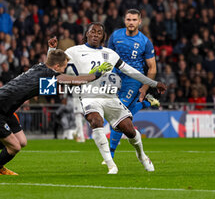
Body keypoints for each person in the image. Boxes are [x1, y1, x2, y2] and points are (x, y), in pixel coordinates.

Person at [48, 22, 166, 174]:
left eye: (99, 32)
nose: (96, 34)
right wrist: (51, 49)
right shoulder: (75, 51)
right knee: (95, 121)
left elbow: (131, 71)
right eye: (93, 31)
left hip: (110, 97)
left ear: (103, 36)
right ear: (87, 34)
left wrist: (153, 83)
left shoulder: (111, 54)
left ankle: (142, 155)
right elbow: (53, 65)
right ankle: (111, 165)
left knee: (129, 130)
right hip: (89, 96)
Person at [0, 48, 112, 175]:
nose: (63, 71)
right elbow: (76, 81)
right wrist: (96, 74)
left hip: (5, 109)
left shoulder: (39, 67)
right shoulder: (51, 75)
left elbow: (50, 63)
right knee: (15, 147)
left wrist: (51, 49)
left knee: (22, 142)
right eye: (63, 68)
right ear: (56, 67)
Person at [106, 9, 159, 160]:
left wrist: (145, 87)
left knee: (119, 112)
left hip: (134, 80)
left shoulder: (144, 42)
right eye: (129, 19)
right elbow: (108, 58)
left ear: (139, 22)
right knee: (122, 112)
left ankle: (110, 153)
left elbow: (152, 67)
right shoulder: (116, 36)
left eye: (134, 20)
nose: (131, 22)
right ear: (125, 20)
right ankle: (144, 104)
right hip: (116, 78)